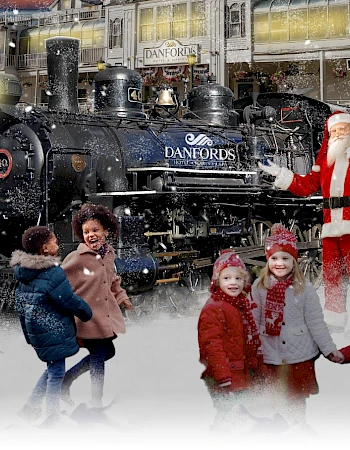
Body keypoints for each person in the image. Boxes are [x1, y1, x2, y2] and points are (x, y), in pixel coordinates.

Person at [259, 111, 350, 332]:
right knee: (331, 275)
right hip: (330, 227)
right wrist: (280, 174)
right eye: (334, 131)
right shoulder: (325, 162)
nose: (338, 134)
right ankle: (335, 320)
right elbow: (306, 186)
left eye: (343, 130)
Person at [250, 223, 343, 426]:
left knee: (295, 402)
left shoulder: (305, 289)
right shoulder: (259, 286)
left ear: (294, 260)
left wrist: (329, 350)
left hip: (298, 358)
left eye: (285, 258)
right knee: (271, 402)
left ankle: (297, 432)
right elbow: (253, 321)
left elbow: (316, 323)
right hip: (269, 356)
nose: (279, 263)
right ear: (267, 261)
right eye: (274, 258)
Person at [10, 226, 92, 426]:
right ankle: (53, 416)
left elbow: (21, 306)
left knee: (52, 369)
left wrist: (28, 335)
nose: (57, 244)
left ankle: (30, 408)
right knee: (56, 374)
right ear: (45, 248)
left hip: (37, 331)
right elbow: (68, 300)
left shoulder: (24, 273)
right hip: (53, 330)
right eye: (54, 241)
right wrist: (86, 312)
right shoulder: (52, 273)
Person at [61, 203, 134, 408]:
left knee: (107, 352)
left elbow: (112, 280)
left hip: (103, 317)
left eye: (95, 230)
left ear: (106, 231)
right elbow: (58, 280)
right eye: (86, 232)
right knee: (98, 356)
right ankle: (96, 401)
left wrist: (122, 298)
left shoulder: (109, 254)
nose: (90, 235)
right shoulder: (78, 258)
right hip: (86, 318)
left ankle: (66, 380)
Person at [197, 249, 265, 430]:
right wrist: (222, 375)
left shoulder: (241, 305)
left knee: (239, 418)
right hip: (226, 377)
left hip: (241, 376)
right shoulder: (215, 308)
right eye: (226, 278)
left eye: (238, 278)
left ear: (245, 282)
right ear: (217, 281)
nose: (233, 283)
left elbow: (249, 341)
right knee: (229, 419)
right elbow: (212, 346)